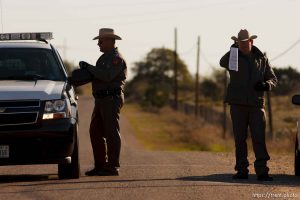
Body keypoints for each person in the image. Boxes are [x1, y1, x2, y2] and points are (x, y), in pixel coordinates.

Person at [219, 29, 277, 181]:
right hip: (237, 104)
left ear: (252, 42)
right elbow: (222, 63)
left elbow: (273, 78)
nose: (243, 44)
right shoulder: (233, 57)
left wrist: (266, 85)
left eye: (246, 42)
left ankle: (262, 171)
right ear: (237, 43)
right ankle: (242, 170)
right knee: (240, 139)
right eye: (240, 42)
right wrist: (231, 50)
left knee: (259, 138)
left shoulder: (261, 58)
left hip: (256, 105)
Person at [79, 28, 127, 176]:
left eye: (101, 41)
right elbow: (97, 76)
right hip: (101, 99)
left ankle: (112, 167)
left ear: (110, 41)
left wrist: (89, 67)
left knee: (111, 132)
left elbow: (107, 76)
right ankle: (100, 165)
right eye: (98, 41)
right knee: (95, 131)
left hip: (111, 99)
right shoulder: (104, 57)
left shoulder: (116, 58)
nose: (98, 44)